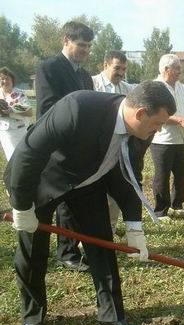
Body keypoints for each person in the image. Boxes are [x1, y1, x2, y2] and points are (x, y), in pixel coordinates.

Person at [4, 81, 176, 325]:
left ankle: (111, 317)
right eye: (157, 123)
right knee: (33, 250)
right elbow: (29, 153)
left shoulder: (142, 132)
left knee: (100, 245)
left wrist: (134, 227)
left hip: (88, 182)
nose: (159, 130)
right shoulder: (77, 108)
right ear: (140, 113)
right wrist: (21, 206)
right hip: (42, 180)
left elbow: (130, 176)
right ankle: (32, 318)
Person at [35, 21, 94, 272]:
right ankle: (65, 253)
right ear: (66, 40)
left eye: (89, 47)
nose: (85, 51)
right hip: (58, 147)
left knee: (75, 200)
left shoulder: (83, 75)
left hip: (80, 147)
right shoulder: (49, 68)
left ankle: (72, 249)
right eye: (81, 45)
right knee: (61, 201)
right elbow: (48, 109)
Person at [92, 50, 141, 234]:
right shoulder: (92, 84)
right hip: (94, 149)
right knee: (92, 193)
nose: (121, 72)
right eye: (117, 68)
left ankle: (110, 229)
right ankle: (88, 232)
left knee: (114, 194)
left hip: (118, 149)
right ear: (105, 65)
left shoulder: (128, 89)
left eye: (124, 69)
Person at [151, 54, 184, 221]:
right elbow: (155, 114)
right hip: (162, 140)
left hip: (180, 139)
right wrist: (179, 120)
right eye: (177, 68)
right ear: (166, 69)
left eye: (180, 68)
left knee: (182, 174)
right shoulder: (156, 87)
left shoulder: (179, 86)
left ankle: (177, 205)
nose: (180, 71)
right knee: (161, 177)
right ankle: (160, 211)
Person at [0, 67, 33, 161]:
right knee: (10, 158)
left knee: (19, 158)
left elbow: (29, 112)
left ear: (12, 80)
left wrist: (12, 109)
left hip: (19, 130)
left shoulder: (19, 93)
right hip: (3, 131)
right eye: (2, 79)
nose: (5, 81)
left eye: (7, 79)